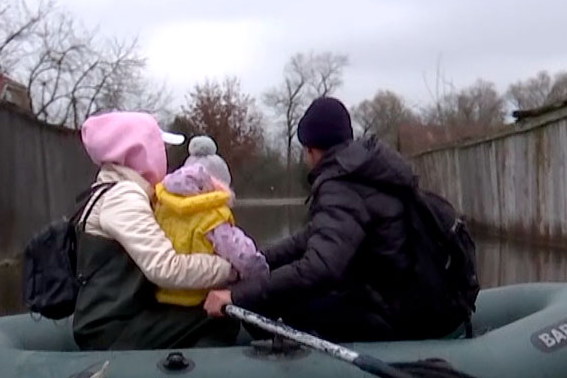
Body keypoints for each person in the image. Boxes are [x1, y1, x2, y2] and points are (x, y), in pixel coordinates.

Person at [203, 96, 445, 343]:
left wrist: (237, 296)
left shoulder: (342, 185)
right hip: (391, 295)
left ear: (311, 149)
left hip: (390, 311)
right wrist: (256, 261)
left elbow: (318, 268)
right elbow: (310, 237)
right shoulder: (361, 172)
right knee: (277, 293)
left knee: (260, 306)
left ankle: (293, 368)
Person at [70, 111, 239, 350]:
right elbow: (166, 268)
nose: (164, 156)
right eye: (159, 147)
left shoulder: (109, 188)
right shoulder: (124, 196)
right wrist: (230, 269)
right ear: (141, 152)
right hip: (111, 327)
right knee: (221, 320)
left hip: (117, 316)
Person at [151, 160, 268, 307]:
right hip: (203, 300)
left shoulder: (160, 208)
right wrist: (262, 276)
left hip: (164, 297)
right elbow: (244, 256)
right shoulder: (212, 217)